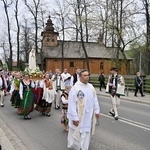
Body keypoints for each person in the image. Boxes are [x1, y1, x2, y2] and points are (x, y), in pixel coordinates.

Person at [67, 69, 100, 150]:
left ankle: (84, 148)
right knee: (76, 132)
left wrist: (97, 111)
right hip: (79, 115)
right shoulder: (75, 88)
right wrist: (74, 118)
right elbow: (71, 104)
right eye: (85, 75)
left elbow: (95, 99)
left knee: (86, 132)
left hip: (88, 116)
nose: (87, 77)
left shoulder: (91, 87)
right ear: (80, 77)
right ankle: (75, 147)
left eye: (88, 75)